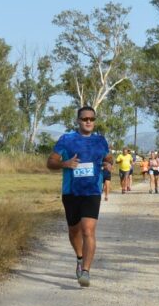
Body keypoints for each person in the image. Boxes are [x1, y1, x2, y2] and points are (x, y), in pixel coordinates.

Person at [46, 106, 111, 288]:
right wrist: (65, 163)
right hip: (71, 192)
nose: (88, 121)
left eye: (91, 119)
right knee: (74, 231)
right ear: (78, 121)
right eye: (84, 119)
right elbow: (50, 162)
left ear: (95, 121)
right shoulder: (66, 139)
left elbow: (109, 157)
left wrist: (108, 164)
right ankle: (79, 258)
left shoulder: (100, 140)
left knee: (88, 231)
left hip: (92, 192)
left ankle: (86, 272)